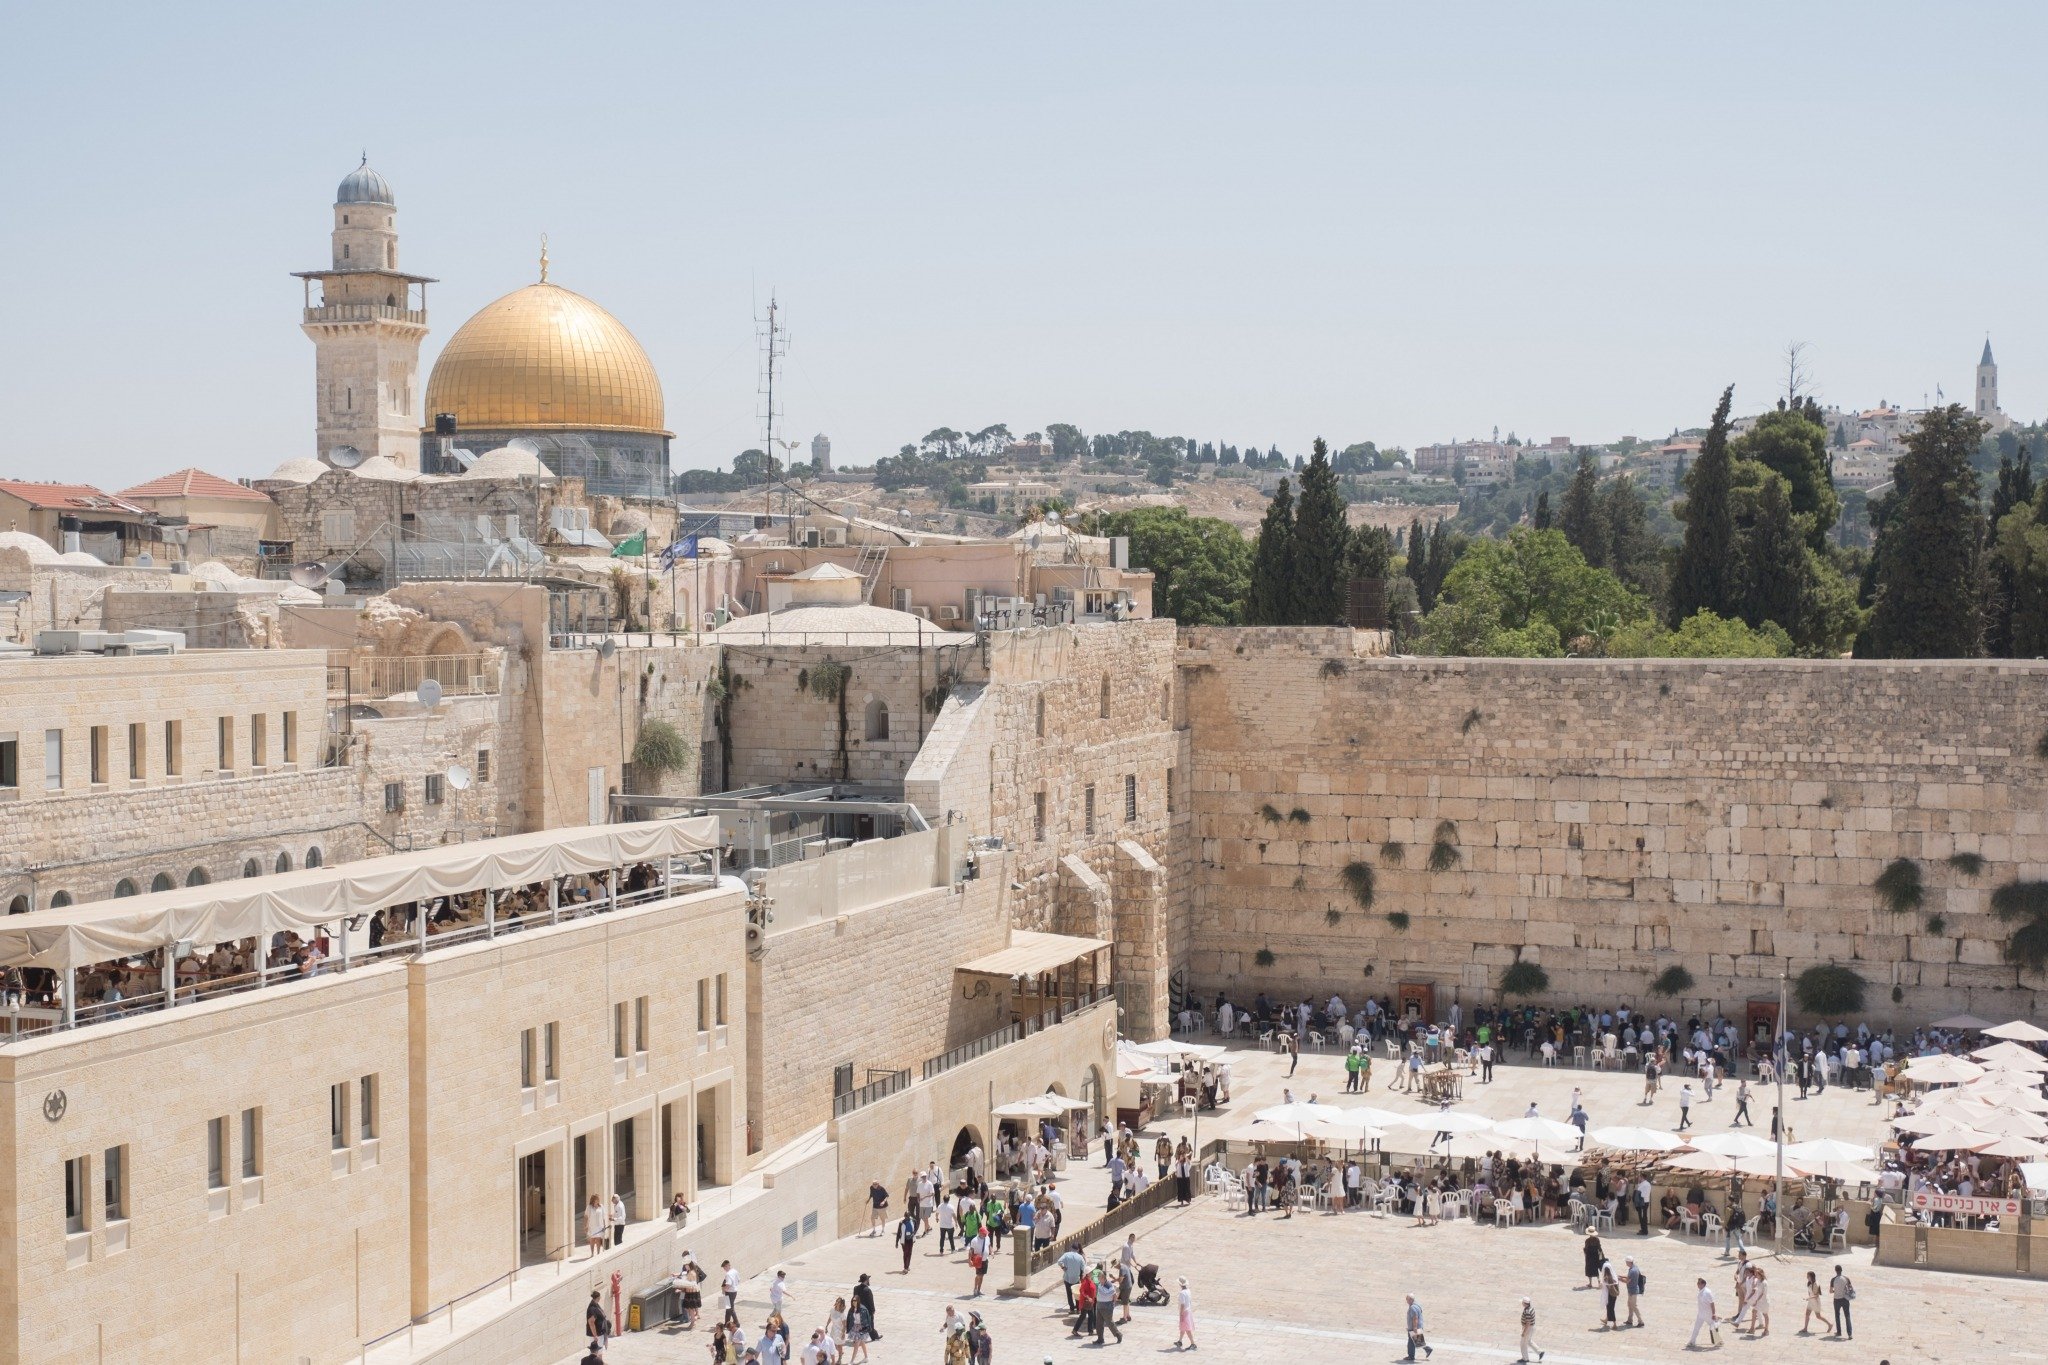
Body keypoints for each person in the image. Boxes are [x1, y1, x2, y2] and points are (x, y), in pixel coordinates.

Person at [1688, 1277, 1719, 1350]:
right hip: (1701, 1313)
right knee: (1696, 1327)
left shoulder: (1707, 1292)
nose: (1697, 1285)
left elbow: (1712, 1303)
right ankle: (1692, 1341)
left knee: (1712, 1325)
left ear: (1703, 1284)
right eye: (1697, 1283)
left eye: (1699, 1283)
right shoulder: (1701, 1291)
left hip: (1707, 1313)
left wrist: (1714, 1314)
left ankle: (1717, 1341)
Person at [852, 1272, 881, 1345]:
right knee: (870, 1324)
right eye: (868, 1279)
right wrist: (873, 1310)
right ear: (866, 1280)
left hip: (858, 1309)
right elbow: (870, 1301)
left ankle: (856, 1338)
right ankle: (874, 1336)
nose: (869, 1281)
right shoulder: (867, 1290)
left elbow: (854, 1299)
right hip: (867, 1311)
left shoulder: (856, 1288)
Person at [1828, 1264, 1853, 1339]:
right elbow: (1850, 1288)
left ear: (1835, 1271)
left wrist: (1835, 1290)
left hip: (1836, 1300)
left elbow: (1830, 1291)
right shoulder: (1846, 1278)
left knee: (1837, 1315)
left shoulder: (1833, 1279)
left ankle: (1839, 1332)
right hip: (1845, 1299)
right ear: (1841, 1270)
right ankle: (1850, 1334)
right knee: (1847, 1316)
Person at [1403, 1293, 1431, 1361]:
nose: (1406, 1301)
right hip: (1419, 1326)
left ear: (1411, 1300)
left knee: (1411, 1343)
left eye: (1407, 1299)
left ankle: (1411, 1356)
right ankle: (1428, 1349)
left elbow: (1415, 1318)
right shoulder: (1417, 1304)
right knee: (1418, 1341)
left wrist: (1414, 1328)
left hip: (1414, 1328)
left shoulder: (1412, 1307)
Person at [1059, 1245, 1086, 1310]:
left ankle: (1071, 1308)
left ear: (1071, 1248)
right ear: (1078, 1249)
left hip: (1067, 1277)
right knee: (1077, 1293)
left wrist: (1063, 1267)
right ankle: (1078, 1308)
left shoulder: (1066, 1255)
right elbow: (1083, 1268)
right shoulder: (1080, 1257)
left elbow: (1059, 1261)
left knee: (1069, 1294)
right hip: (1076, 1279)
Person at [1518, 1295, 1544, 1362]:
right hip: (1531, 1327)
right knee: (1528, 1341)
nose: (1522, 1303)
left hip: (1528, 1328)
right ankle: (1540, 1352)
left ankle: (1525, 1358)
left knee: (1523, 1344)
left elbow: (1528, 1323)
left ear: (1525, 1303)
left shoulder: (1527, 1311)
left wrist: (1524, 1332)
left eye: (1522, 1302)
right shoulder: (1531, 1308)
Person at [1799, 1270, 1825, 1335]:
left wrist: (1808, 1298)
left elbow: (1816, 1295)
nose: (1807, 1277)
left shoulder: (1815, 1284)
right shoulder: (1809, 1283)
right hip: (1811, 1302)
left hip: (1815, 1302)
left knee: (1818, 1316)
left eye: (1808, 1276)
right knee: (1807, 1314)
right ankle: (1805, 1328)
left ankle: (1829, 1324)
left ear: (1811, 1277)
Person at [1748, 1266, 1771, 1337]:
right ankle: (1752, 1328)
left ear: (1760, 1274)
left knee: (1765, 1315)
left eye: (1757, 1274)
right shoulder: (1758, 1281)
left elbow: (1763, 1293)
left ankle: (1766, 1329)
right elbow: (1756, 1288)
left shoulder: (1764, 1283)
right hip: (1758, 1300)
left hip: (1764, 1301)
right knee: (1754, 1311)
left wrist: (1756, 1300)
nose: (1756, 1275)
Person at [584, 1194, 609, 1259]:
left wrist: (604, 1225)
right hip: (592, 1226)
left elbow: (603, 1217)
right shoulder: (589, 1207)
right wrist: (586, 1226)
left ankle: (598, 1253)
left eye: (598, 1199)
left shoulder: (601, 1206)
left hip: (599, 1226)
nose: (598, 1200)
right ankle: (592, 1253)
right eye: (597, 1199)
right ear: (593, 1200)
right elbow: (586, 1216)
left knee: (598, 1239)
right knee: (592, 1239)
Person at [1623, 1257, 1645, 1328]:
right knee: (1629, 1305)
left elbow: (1627, 1281)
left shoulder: (1632, 1270)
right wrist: (1620, 1276)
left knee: (1634, 1306)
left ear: (1629, 1262)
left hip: (1633, 1291)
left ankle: (1641, 1321)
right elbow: (1628, 1277)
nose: (1626, 1263)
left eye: (1626, 1262)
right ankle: (1630, 1320)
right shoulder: (1634, 1268)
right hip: (1631, 1290)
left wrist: (1618, 1279)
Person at [1177, 1277, 1198, 1351]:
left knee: (1187, 1329)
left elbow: (1182, 1305)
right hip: (1188, 1311)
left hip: (1184, 1312)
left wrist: (1181, 1314)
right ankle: (1180, 1341)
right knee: (1183, 1327)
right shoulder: (1188, 1291)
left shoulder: (1182, 1293)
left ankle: (1193, 1344)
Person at [896, 1209, 919, 1273]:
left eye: (907, 1217)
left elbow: (916, 1228)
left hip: (911, 1239)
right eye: (905, 1217)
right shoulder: (901, 1223)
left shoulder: (913, 1221)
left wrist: (913, 1234)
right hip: (904, 1240)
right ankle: (905, 1267)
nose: (906, 1218)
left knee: (909, 1253)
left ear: (909, 1216)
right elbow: (898, 1233)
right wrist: (896, 1242)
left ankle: (907, 1266)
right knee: (905, 1253)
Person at [1600, 1260, 1620, 1329]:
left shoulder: (1606, 1278)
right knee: (1610, 1308)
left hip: (1609, 1295)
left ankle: (1615, 1324)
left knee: (1610, 1309)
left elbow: (1603, 1287)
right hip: (1614, 1295)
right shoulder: (1614, 1276)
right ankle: (1606, 1320)